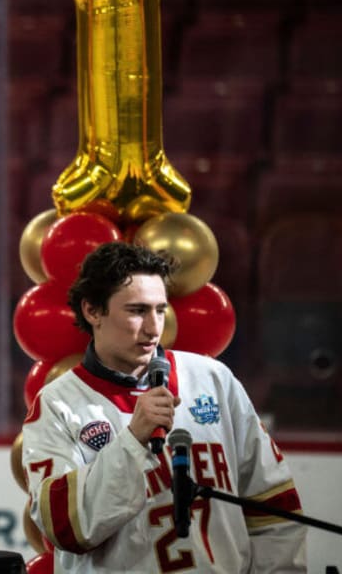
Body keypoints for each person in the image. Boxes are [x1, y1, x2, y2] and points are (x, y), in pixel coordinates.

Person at [22, 241, 307, 573]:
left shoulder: (213, 379)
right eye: (137, 310)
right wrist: (133, 439)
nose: (154, 328)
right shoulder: (58, 403)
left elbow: (273, 504)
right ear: (92, 311)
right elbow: (64, 528)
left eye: (160, 309)